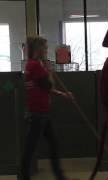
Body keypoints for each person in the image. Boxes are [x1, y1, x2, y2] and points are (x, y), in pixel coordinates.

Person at [20, 36, 73, 180]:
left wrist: (63, 94)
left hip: (41, 112)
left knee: (51, 145)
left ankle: (60, 177)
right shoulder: (35, 66)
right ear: (39, 49)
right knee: (30, 149)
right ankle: (24, 177)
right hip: (38, 113)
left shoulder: (32, 64)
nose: (47, 50)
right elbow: (49, 86)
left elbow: (45, 89)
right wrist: (49, 71)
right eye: (45, 47)